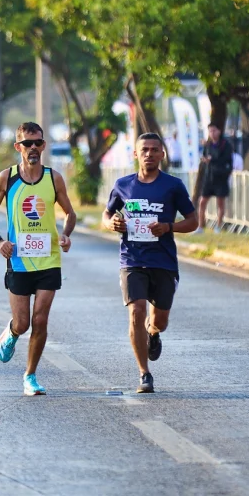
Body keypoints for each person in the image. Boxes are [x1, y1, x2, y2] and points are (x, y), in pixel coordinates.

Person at [0, 122, 76, 396]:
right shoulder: (7, 178)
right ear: (18, 148)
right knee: (23, 322)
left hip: (49, 259)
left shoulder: (53, 178)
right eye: (27, 143)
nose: (33, 148)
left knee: (41, 319)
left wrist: (66, 234)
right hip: (19, 260)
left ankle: (30, 375)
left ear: (44, 145)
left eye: (37, 142)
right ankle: (12, 332)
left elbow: (70, 213)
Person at [102, 133, 198, 393]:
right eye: (144, 149)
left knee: (160, 320)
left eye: (155, 150)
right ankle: (144, 373)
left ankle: (153, 333)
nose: (149, 154)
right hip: (132, 259)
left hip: (163, 261)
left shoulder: (173, 186)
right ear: (136, 154)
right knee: (136, 312)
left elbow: (193, 221)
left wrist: (168, 226)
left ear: (162, 154)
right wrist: (111, 223)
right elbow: (107, 214)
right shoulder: (123, 184)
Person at [196, 123, 233, 233]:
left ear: (219, 131)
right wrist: (205, 160)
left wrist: (212, 159)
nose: (212, 133)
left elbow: (227, 160)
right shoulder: (208, 145)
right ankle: (201, 226)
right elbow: (205, 156)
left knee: (220, 203)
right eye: (210, 131)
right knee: (202, 201)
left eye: (214, 131)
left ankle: (218, 226)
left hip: (220, 177)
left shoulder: (225, 144)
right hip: (209, 177)